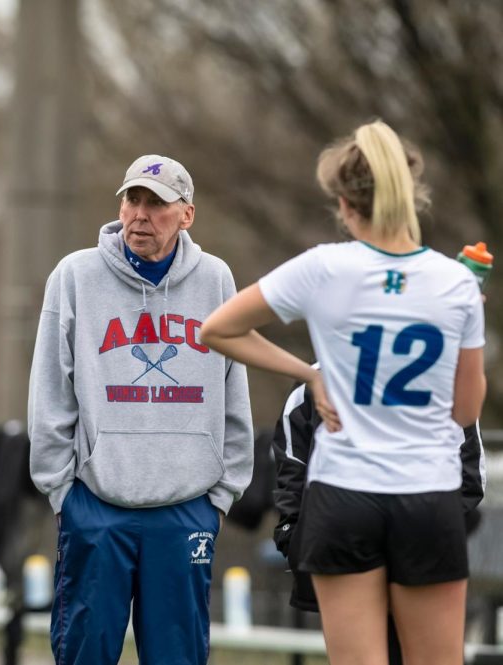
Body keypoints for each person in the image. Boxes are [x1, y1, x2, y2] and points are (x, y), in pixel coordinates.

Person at [199, 120, 486, 665]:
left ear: (344, 202)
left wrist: (309, 374)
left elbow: (216, 328)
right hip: (427, 497)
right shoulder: (457, 283)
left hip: (343, 496)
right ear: (410, 194)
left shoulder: (323, 267)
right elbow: (466, 410)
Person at [28, 154, 254, 664]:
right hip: (96, 506)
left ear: (186, 215)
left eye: (157, 203)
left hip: (186, 509)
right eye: (133, 200)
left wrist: (221, 494)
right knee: (85, 653)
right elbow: (50, 391)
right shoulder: (74, 277)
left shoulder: (215, 280)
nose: (141, 214)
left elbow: (232, 387)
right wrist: (64, 491)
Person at [271, 367, 486, 665]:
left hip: (420, 549)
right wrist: (295, 539)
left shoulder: (442, 369)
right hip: (345, 546)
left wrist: (434, 531)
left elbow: (470, 477)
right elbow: (291, 471)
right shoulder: (315, 380)